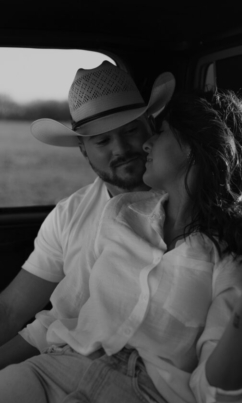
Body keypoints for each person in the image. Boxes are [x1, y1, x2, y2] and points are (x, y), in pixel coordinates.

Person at [0, 90, 242, 403]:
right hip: (52, 370)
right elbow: (64, 314)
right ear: (84, 150)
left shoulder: (238, 248)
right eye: (102, 140)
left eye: (151, 131)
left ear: (199, 144)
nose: (140, 146)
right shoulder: (119, 214)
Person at [0, 60, 176, 367]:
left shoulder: (184, 201)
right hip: (56, 351)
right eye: (102, 141)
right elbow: (11, 310)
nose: (121, 149)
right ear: (83, 149)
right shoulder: (69, 214)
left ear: (152, 124)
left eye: (131, 130)